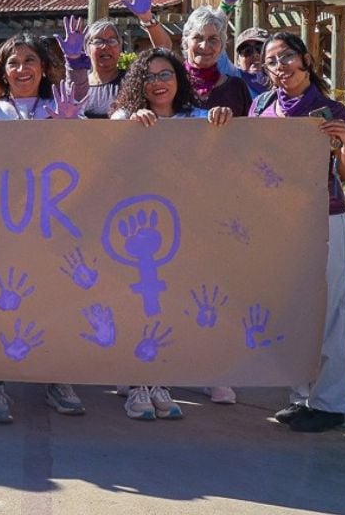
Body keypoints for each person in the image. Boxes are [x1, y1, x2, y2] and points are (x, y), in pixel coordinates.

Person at [108, 48, 234, 420]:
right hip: (137, 231)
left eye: (165, 75)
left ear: (179, 79)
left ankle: (158, 380)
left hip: (182, 232)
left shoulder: (196, 118)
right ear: (137, 84)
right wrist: (130, 123)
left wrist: (222, 119)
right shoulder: (126, 116)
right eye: (148, 76)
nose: (158, 83)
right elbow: (102, 146)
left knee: (170, 306)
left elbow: (225, 148)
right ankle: (138, 385)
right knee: (137, 305)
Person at [0, 34, 85, 422]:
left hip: (51, 229)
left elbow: (92, 157)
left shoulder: (60, 108)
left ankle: (57, 379)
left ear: (43, 67)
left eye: (30, 61)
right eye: (13, 62)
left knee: (54, 304)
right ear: (2, 70)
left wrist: (73, 126)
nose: (22, 69)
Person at [253, 33, 345, 433]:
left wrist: (344, 143)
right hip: (281, 223)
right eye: (272, 61)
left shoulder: (329, 110)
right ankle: (301, 397)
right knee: (293, 311)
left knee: (330, 311)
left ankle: (331, 402)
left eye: (288, 57)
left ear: (306, 60)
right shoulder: (262, 106)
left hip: (325, 218)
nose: (282, 67)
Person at [233, 27, 270, 98]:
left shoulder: (283, 80)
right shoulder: (234, 77)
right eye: (247, 51)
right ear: (238, 60)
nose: (255, 54)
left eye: (260, 49)